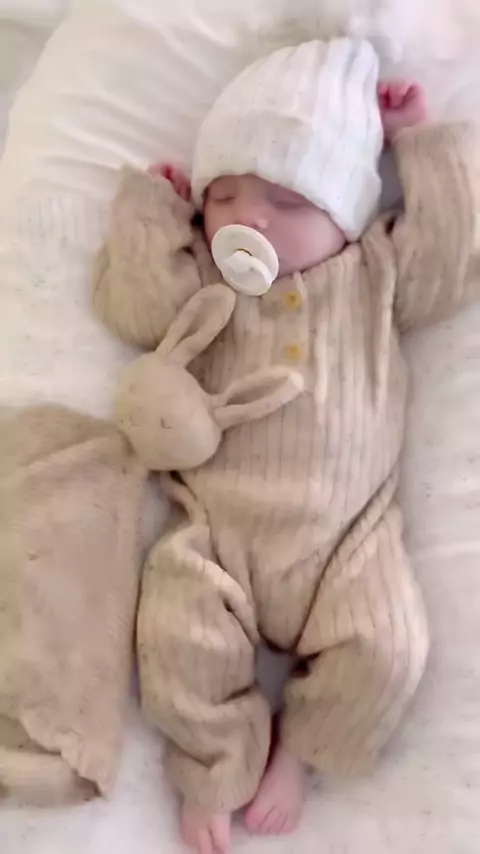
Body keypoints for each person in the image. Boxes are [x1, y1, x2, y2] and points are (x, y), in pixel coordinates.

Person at [93, 38, 479, 854]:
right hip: (217, 538)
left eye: (287, 200)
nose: (250, 220)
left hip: (349, 544)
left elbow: (453, 254)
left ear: (346, 213)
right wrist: (151, 216)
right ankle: (214, 765)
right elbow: (135, 308)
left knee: (390, 649)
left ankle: (300, 752)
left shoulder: (374, 277)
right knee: (176, 635)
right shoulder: (207, 285)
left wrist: (420, 143)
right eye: (225, 195)